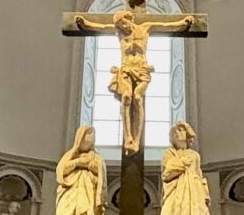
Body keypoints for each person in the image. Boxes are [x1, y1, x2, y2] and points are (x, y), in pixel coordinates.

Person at [73, 9, 194, 152]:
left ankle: (137, 139)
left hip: (142, 70)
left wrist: (183, 23)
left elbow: (165, 25)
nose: (123, 26)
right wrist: (85, 23)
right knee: (126, 97)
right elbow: (101, 27)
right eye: (119, 25)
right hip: (125, 69)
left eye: (123, 22)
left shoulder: (145, 28)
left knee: (137, 98)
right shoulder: (119, 32)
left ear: (129, 18)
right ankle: (128, 137)